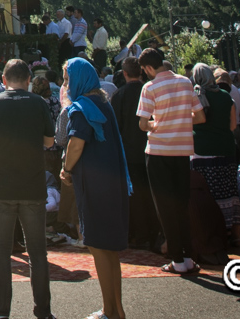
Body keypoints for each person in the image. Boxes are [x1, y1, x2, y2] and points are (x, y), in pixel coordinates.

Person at [0, 58, 55, 319]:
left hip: (0, 186)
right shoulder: (39, 103)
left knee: (1, 252)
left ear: (4, 80)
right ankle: (43, 311)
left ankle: (1, 311)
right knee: (38, 253)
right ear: (28, 80)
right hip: (33, 185)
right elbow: (49, 142)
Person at [63, 56, 131, 319]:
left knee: (98, 246)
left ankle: (111, 311)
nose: (66, 85)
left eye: (67, 79)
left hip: (94, 184)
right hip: (112, 181)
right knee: (109, 249)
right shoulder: (103, 103)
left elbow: (75, 144)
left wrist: (66, 169)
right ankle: (114, 308)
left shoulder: (81, 107)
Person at [137, 48, 205, 274]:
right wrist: (180, 120)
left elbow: (142, 124)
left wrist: (157, 123)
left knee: (164, 207)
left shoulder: (150, 87)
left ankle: (177, 259)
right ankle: (188, 256)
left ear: (148, 68)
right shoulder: (185, 82)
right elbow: (200, 116)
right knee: (182, 204)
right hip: (182, 150)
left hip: (158, 151)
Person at [109, 55, 159, 252]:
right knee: (152, 193)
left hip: (129, 152)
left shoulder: (119, 95)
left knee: (134, 196)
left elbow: (115, 127)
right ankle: (154, 233)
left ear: (125, 73)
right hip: (152, 149)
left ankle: (138, 235)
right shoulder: (151, 91)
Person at [190, 63, 240, 241]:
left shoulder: (195, 96)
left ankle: (213, 233)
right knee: (230, 191)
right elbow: (233, 126)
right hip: (226, 149)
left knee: (207, 194)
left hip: (202, 150)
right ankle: (236, 234)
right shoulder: (226, 96)